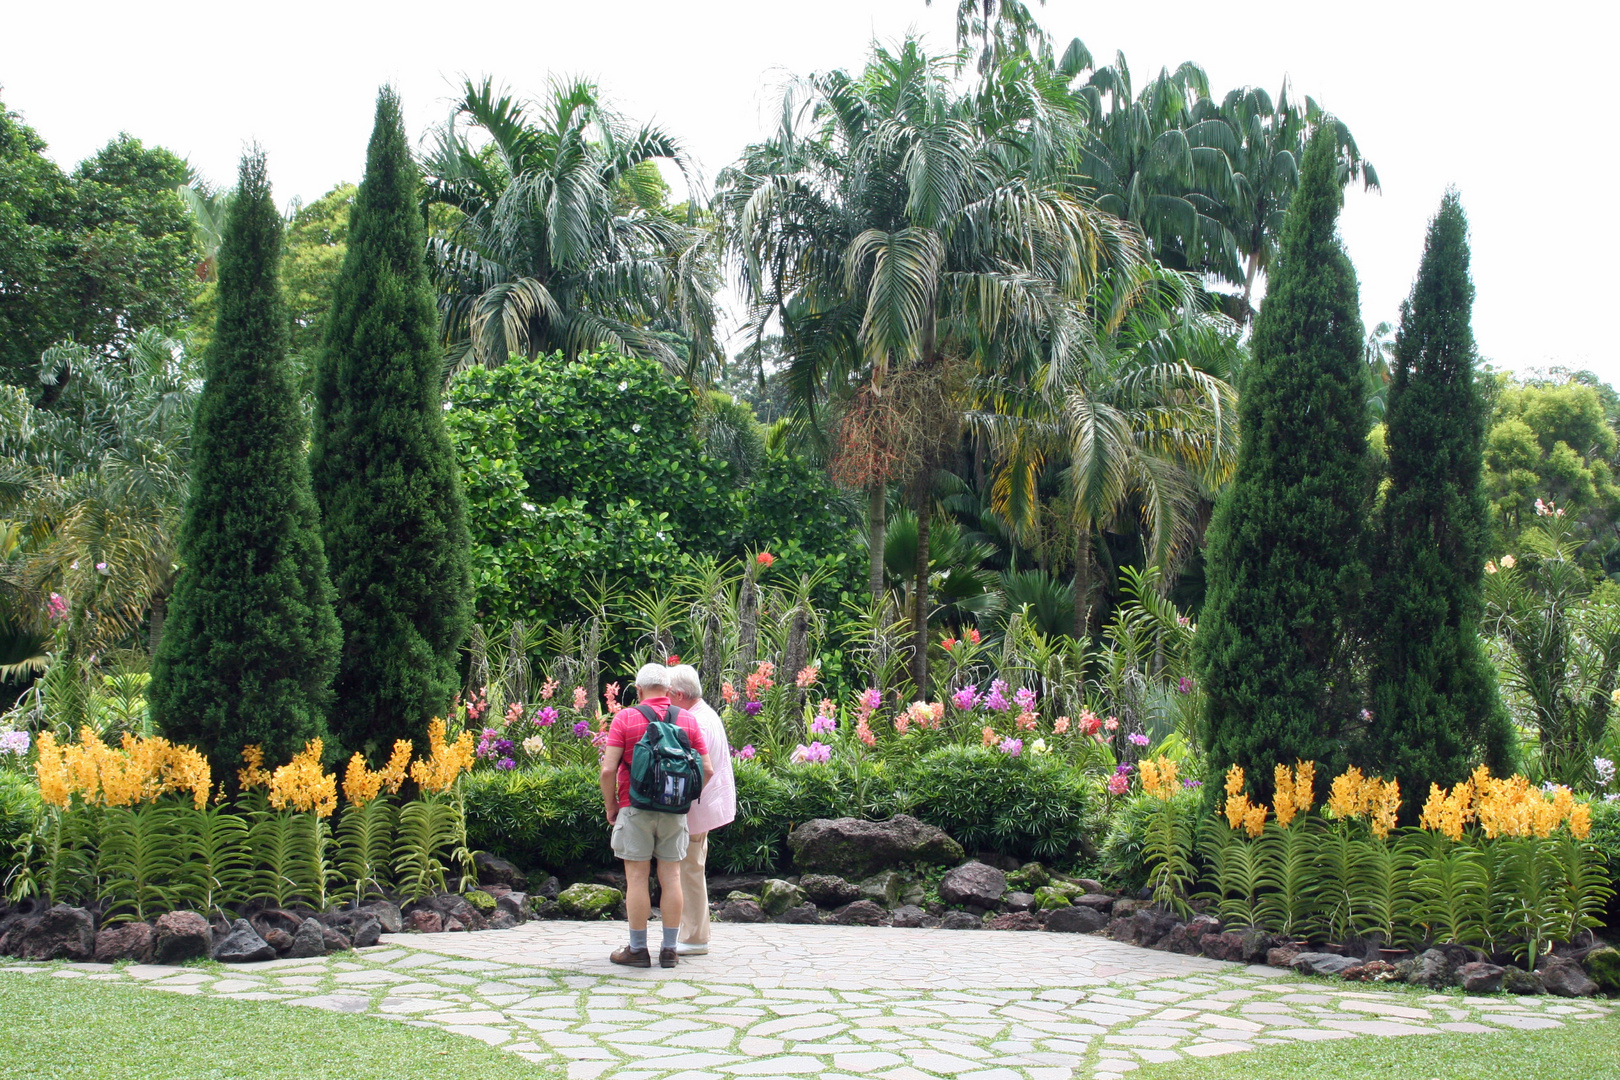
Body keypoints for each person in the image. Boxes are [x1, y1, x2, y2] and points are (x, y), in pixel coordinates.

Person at [599, 663, 713, 969]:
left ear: (638, 690)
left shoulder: (625, 718)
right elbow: (708, 769)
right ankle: (669, 950)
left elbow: (608, 769)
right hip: (674, 811)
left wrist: (611, 806)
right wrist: (682, 799)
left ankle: (637, 950)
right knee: (671, 877)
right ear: (669, 690)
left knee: (636, 878)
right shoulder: (687, 719)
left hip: (634, 807)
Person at [666, 664, 735, 956]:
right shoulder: (703, 714)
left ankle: (694, 937)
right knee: (691, 868)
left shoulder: (697, 722)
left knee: (689, 870)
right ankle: (692, 933)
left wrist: (676, 801)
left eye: (668, 694)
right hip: (703, 807)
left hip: (696, 809)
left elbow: (697, 771)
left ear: (679, 694)